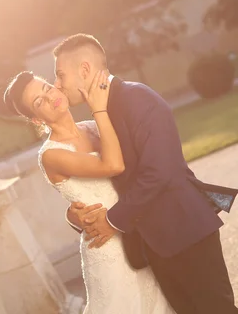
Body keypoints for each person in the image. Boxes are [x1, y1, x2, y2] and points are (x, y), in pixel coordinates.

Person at [53, 33, 236, 313]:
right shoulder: (100, 115)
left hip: (185, 232)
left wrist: (112, 220)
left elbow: (159, 172)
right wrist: (77, 216)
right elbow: (108, 181)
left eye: (60, 75)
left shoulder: (136, 98)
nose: (58, 85)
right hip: (156, 245)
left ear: (85, 70)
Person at [5, 69, 175, 313]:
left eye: (46, 88)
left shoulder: (94, 128)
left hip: (137, 234)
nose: (51, 96)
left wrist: (71, 215)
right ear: (36, 119)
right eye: (39, 101)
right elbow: (112, 165)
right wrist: (99, 108)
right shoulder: (51, 155)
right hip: (108, 250)